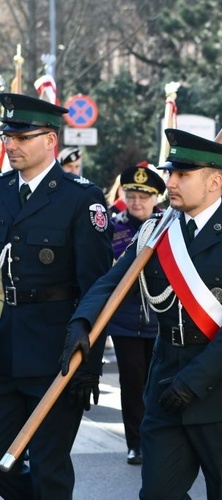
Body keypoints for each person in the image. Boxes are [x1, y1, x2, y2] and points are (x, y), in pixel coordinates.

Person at [63, 129, 222, 499]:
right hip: (164, 386)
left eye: (181, 175)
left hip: (221, 391)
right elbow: (111, 283)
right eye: (171, 173)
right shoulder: (156, 232)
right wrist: (82, 322)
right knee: (158, 493)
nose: (170, 182)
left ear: (213, 182)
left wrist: (194, 380)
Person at [0, 93, 113, 499]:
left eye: (21, 137)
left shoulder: (81, 199)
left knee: (49, 468)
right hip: (4, 349)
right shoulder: (1, 191)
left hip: (55, 355)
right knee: (3, 464)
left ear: (50, 140)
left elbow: (98, 287)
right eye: (7, 136)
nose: (10, 145)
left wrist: (90, 362)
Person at [107, 162, 166, 465]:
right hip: (125, 321)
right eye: (131, 195)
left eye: (143, 196)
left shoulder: (168, 227)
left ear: (156, 197)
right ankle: (136, 442)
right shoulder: (113, 228)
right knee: (132, 380)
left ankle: (159, 439)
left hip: (159, 320)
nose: (137, 202)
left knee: (157, 381)